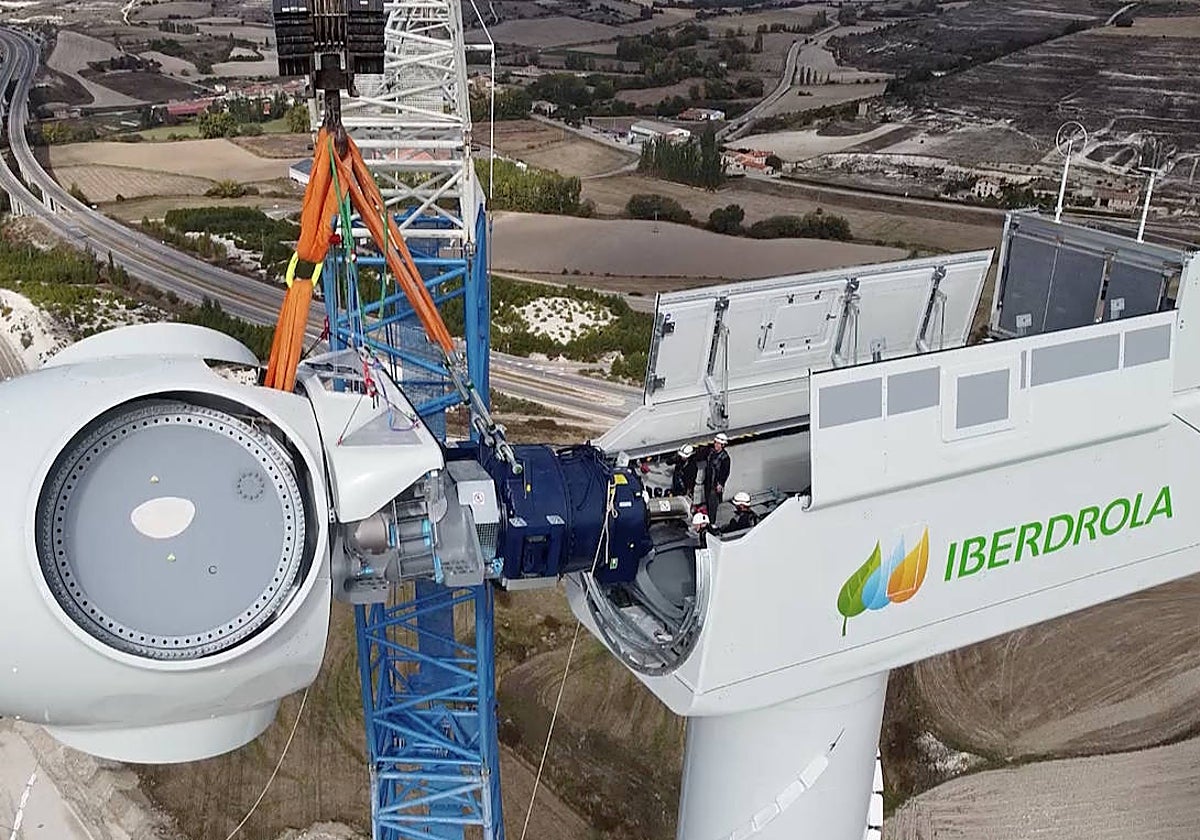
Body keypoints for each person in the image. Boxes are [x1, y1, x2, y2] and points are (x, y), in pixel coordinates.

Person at [703, 432, 730, 524]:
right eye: (715, 443)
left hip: (715, 486)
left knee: (713, 505)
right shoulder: (711, 453)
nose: (716, 445)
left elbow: (725, 473)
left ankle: (712, 523)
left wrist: (720, 484)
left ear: (723, 445)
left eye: (718, 443)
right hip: (708, 483)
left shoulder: (725, 458)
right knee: (708, 503)